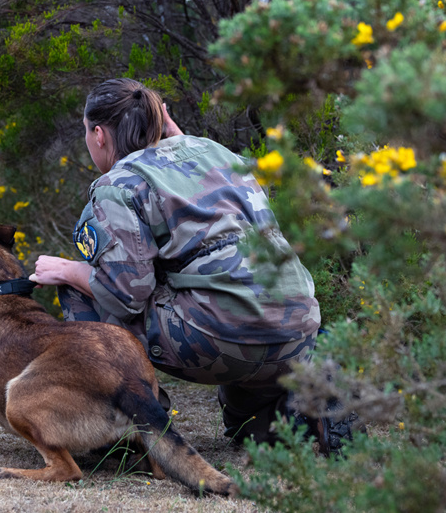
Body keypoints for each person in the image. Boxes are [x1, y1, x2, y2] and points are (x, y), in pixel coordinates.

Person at [30, 78, 353, 453]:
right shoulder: (218, 153)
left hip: (219, 334)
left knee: (78, 287)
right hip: (296, 330)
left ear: (99, 135)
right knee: (247, 429)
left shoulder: (117, 184)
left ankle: (134, 432)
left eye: (87, 132)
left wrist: (66, 270)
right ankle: (305, 399)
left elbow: (124, 298)